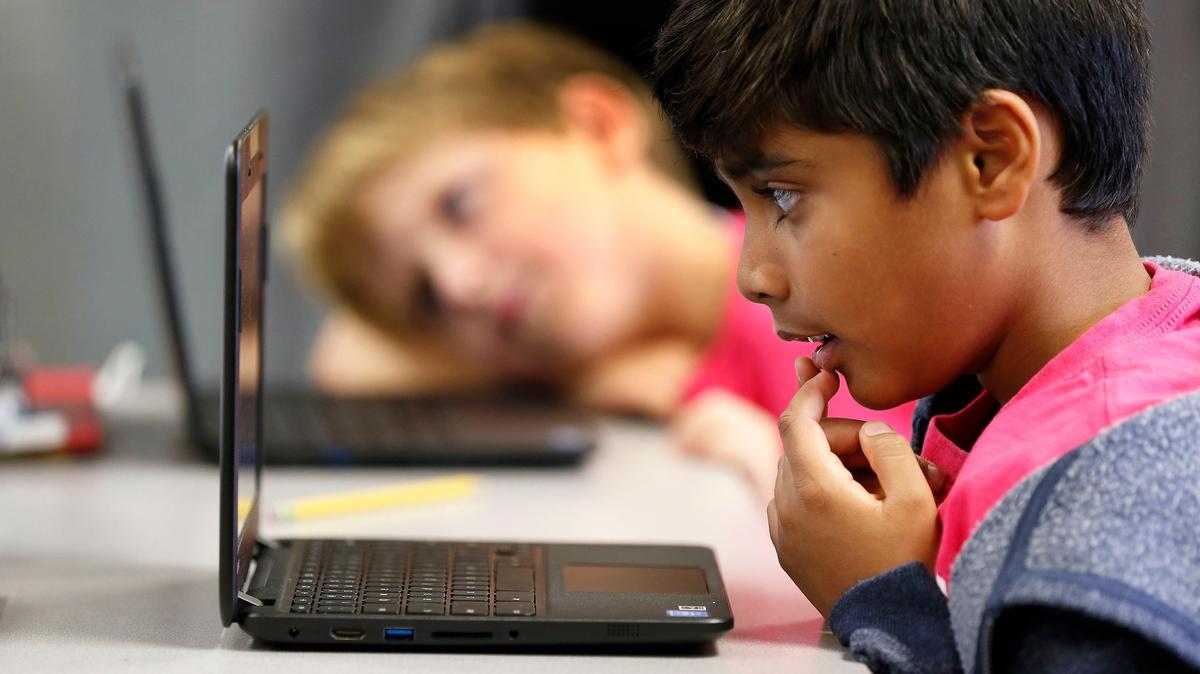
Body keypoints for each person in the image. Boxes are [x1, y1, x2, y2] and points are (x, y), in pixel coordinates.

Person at [653, 0, 1200, 672]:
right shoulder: (1101, 381)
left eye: (784, 196)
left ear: (991, 160)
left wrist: (886, 599)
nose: (752, 277)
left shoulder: (1115, 497)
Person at [281, 21, 915, 499]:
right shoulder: (640, 365)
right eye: (425, 299)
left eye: (461, 204)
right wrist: (580, 378)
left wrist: (776, 469)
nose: (459, 285)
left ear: (599, 126)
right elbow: (342, 357)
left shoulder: (832, 301)